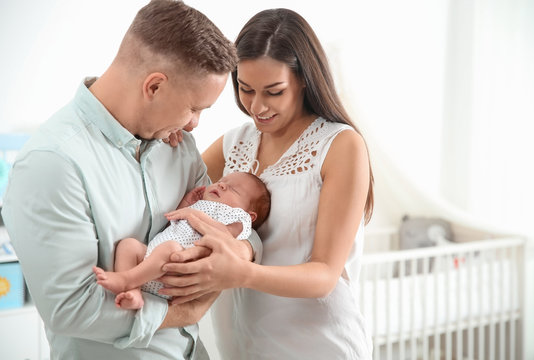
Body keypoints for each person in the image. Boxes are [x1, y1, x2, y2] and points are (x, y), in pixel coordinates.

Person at [0, 1, 263, 359]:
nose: (194, 124)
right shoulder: (52, 164)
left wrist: (239, 252)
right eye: (194, 107)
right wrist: (188, 310)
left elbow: (238, 225)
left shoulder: (177, 146)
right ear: (154, 87)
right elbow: (72, 310)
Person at [159, 8, 375, 359]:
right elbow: (174, 191)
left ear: (304, 79)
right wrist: (167, 136)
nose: (256, 107)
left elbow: (324, 276)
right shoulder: (234, 143)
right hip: (242, 346)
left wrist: (242, 273)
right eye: (245, 89)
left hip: (318, 346)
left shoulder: (340, 146)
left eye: (273, 92)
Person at [93, 171, 270, 310]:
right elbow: (174, 222)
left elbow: (225, 235)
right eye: (222, 181)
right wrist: (186, 204)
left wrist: (194, 214)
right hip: (153, 259)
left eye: (234, 189)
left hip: (179, 270)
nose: (222, 185)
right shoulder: (200, 205)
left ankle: (126, 280)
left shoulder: (239, 218)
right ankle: (133, 293)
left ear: (250, 215)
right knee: (128, 245)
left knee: (170, 247)